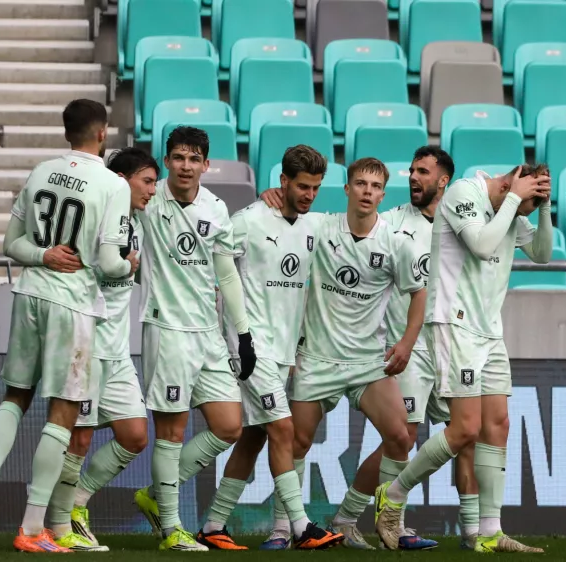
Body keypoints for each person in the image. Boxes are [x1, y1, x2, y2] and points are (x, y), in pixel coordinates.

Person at [0, 99, 137, 553]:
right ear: (103, 134)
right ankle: (32, 528)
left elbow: (10, 244)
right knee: (63, 412)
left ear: (67, 133)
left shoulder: (40, 171)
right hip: (71, 304)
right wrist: (129, 265)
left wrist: (43, 255)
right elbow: (107, 262)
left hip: (29, 293)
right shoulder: (111, 184)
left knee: (15, 396)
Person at [374, 164, 553, 553]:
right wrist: (513, 201)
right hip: (454, 325)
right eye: (527, 203)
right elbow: (482, 245)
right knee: (466, 429)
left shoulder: (513, 206)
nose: (523, 212)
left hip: (490, 330)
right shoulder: (463, 194)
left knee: (498, 425)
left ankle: (489, 531)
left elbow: (541, 253)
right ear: (509, 184)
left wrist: (542, 208)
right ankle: (394, 494)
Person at [261, 157, 427, 550]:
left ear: (383, 195)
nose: (367, 192)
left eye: (375, 186)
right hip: (317, 359)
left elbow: (419, 293)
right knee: (295, 443)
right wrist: (272, 196)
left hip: (368, 364)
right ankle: (283, 528)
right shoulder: (319, 226)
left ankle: (363, 520)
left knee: (401, 436)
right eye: (360, 184)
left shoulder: (395, 241)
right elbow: (283, 215)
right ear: (348, 189)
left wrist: (406, 343)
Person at [324, 147, 474, 550]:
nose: (413, 177)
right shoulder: (389, 224)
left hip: (451, 348)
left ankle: (476, 531)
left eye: (423, 172)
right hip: (405, 349)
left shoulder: (462, 223)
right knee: (403, 436)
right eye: (411, 170)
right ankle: (358, 519)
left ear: (443, 181)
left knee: (467, 435)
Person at [194, 145, 343, 551]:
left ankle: (212, 526)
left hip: (283, 352)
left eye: (315, 187)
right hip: (249, 348)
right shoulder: (249, 221)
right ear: (283, 182)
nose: (309, 193)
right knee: (283, 429)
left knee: (255, 437)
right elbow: (216, 265)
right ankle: (300, 526)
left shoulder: (315, 226)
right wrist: (237, 336)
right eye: (302, 185)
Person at [132, 126, 257, 551]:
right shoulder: (148, 203)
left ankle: (155, 495)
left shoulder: (217, 208)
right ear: (166, 161)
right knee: (172, 431)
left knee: (229, 426)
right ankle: (171, 527)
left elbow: (227, 274)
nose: (186, 166)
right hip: (166, 330)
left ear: (206, 164)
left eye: (194, 158)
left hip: (207, 334)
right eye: (178, 157)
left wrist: (243, 334)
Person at [45, 147, 158, 551]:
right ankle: (61, 524)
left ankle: (77, 501)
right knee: (78, 438)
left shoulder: (140, 221)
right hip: (86, 345)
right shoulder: (94, 215)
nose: (153, 190)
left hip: (117, 350)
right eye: (146, 181)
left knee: (135, 435)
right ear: (121, 179)